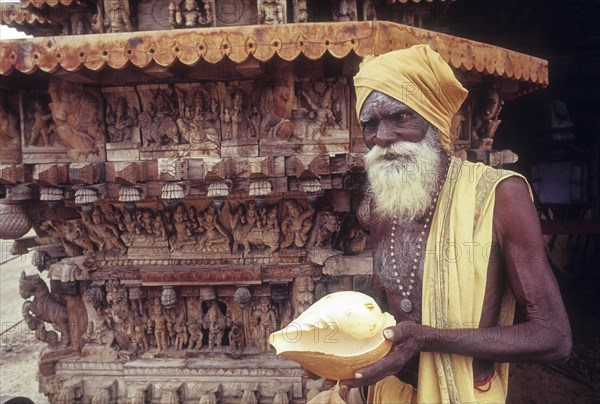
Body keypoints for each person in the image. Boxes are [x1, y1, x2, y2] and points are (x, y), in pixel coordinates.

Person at [310, 45, 572, 403]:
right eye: (370, 125)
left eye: (399, 117)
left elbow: (554, 338)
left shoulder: (500, 196)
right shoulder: (383, 203)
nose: (383, 137)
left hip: (463, 394)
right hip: (390, 392)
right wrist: (333, 350)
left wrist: (429, 339)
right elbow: (384, 310)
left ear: (433, 119)